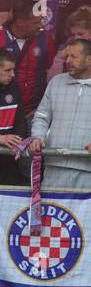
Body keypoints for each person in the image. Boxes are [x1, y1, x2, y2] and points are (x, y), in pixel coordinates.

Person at [30, 38, 91, 189]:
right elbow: (41, 117)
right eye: (67, 56)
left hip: (87, 169)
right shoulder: (56, 82)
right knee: (53, 212)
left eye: (74, 57)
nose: (68, 61)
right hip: (54, 166)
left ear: (89, 60)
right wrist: (37, 136)